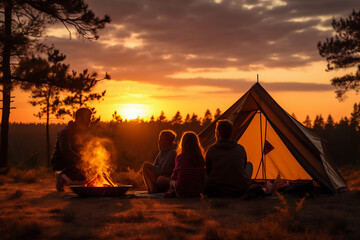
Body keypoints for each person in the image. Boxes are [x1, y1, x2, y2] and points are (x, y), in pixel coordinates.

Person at [205, 119, 251, 197]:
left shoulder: (211, 150)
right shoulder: (240, 149)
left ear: (218, 133)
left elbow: (208, 170)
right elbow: (243, 166)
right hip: (238, 189)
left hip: (216, 190)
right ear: (230, 133)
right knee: (249, 165)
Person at [51, 108, 92, 192]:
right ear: (79, 118)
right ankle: (62, 177)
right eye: (88, 117)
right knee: (84, 166)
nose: (90, 120)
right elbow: (65, 150)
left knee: (92, 167)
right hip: (61, 162)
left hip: (73, 161)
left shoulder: (81, 132)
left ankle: (72, 179)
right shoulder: (65, 131)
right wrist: (82, 160)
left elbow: (83, 151)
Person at [167, 131, 206, 198]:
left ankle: (171, 192)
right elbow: (203, 174)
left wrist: (173, 179)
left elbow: (174, 175)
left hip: (182, 189)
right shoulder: (199, 157)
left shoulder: (179, 157)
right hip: (197, 189)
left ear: (183, 144)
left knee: (171, 182)